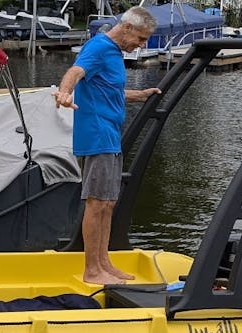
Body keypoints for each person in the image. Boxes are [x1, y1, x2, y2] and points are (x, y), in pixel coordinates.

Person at [53, 6, 161, 285]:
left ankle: (104, 263)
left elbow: (108, 90)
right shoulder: (99, 47)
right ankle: (92, 270)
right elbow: (75, 71)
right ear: (126, 28)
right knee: (97, 202)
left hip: (110, 134)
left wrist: (140, 95)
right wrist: (64, 93)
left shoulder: (113, 53)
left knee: (109, 203)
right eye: (140, 38)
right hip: (96, 135)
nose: (142, 45)